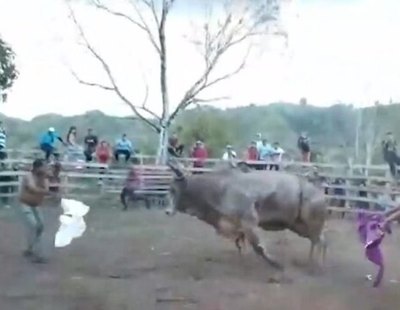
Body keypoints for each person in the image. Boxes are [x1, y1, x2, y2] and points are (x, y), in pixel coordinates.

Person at [18, 159, 51, 263]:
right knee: (34, 225)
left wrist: (45, 188)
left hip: (36, 205)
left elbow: (46, 189)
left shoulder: (44, 178)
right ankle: (38, 253)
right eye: (43, 167)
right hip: (26, 204)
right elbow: (33, 188)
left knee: (40, 226)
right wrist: (45, 191)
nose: (45, 168)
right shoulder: (28, 176)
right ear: (37, 167)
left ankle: (30, 249)